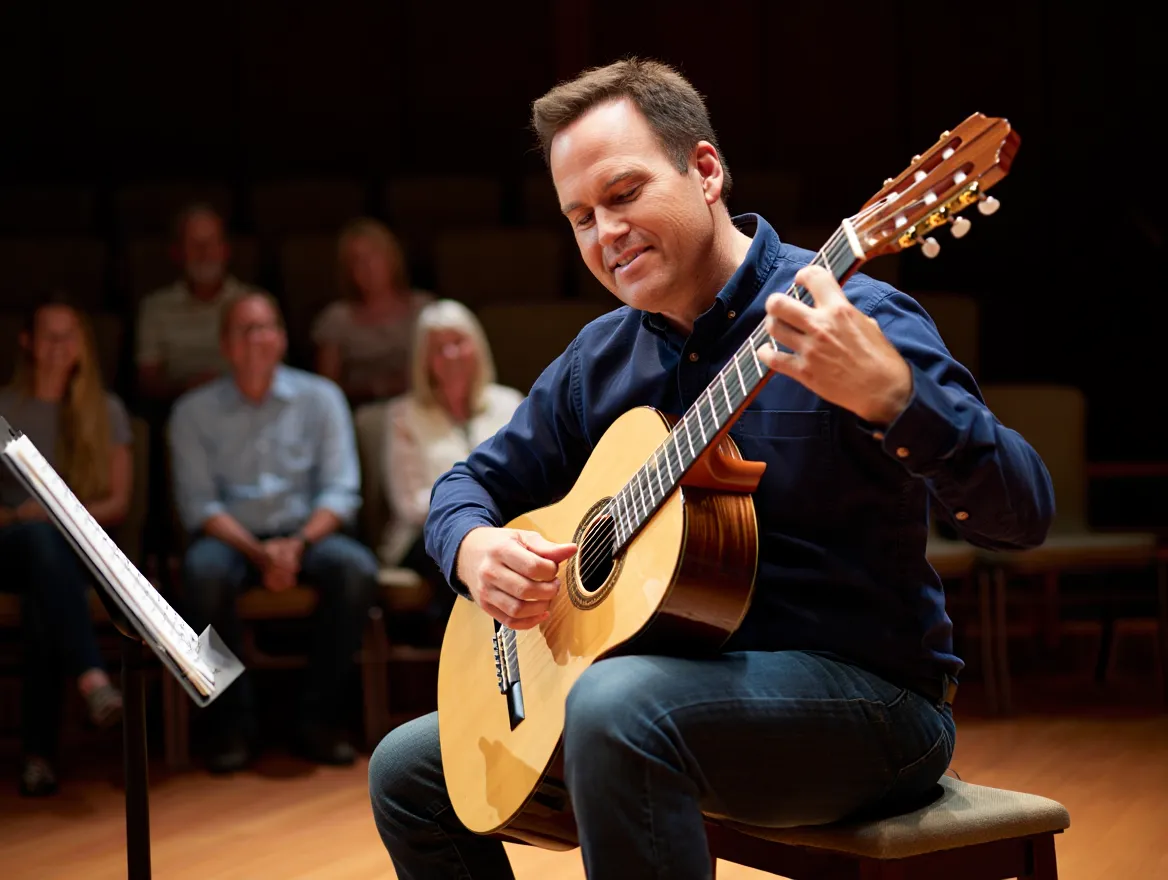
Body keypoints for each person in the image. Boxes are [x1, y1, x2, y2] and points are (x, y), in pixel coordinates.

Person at [367, 59, 1055, 879]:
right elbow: (464, 486)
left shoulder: (851, 316)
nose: (605, 234)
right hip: (668, 696)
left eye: (623, 196)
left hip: (872, 704)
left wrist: (895, 398)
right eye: (580, 217)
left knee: (617, 709)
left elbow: (1024, 514)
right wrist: (471, 551)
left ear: (705, 170)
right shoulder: (602, 357)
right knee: (408, 770)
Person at [168, 290, 379, 773]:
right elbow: (199, 506)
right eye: (247, 330)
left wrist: (297, 545)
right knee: (201, 576)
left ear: (283, 339)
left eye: (268, 328)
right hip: (230, 538)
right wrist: (260, 554)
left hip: (306, 533)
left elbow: (342, 492)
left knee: (355, 570)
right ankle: (230, 725)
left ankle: (318, 720)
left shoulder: (321, 398)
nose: (260, 338)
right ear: (225, 345)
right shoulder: (193, 412)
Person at [0, 294, 132, 796]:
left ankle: (39, 758)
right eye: (49, 336)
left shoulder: (107, 410)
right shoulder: (4, 408)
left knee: (44, 598)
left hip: (78, 551)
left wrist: (60, 513)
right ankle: (93, 679)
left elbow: (117, 502)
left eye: (69, 335)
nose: (60, 347)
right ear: (28, 343)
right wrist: (21, 514)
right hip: (12, 545)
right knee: (37, 542)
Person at [380, 299, 523, 643]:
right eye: (439, 348)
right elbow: (408, 501)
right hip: (423, 533)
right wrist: (469, 519)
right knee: (460, 552)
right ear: (424, 360)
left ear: (477, 346)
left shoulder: (509, 402)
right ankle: (470, 661)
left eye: (458, 342)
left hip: (504, 523)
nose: (452, 355)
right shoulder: (404, 414)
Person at [136, 203, 263, 402]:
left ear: (225, 250)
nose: (205, 253)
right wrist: (187, 387)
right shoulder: (155, 308)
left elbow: (277, 371)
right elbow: (147, 382)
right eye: (194, 245)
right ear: (177, 252)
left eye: (212, 243)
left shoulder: (257, 306)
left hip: (248, 405)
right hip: (179, 407)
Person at [312, 217, 433, 405]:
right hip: (360, 414)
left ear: (392, 258)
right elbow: (327, 391)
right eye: (357, 261)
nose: (368, 267)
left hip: (421, 408)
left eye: (374, 256)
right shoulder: (336, 319)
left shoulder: (424, 308)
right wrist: (375, 389)